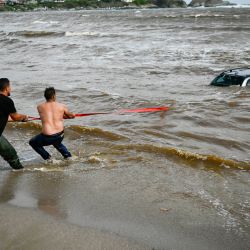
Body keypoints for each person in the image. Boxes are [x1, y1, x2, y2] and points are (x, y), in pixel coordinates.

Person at [29, 87, 75, 161]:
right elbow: (70, 116)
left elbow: (47, 116)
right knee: (56, 141)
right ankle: (68, 156)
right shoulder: (62, 106)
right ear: (54, 96)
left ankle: (48, 158)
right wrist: (73, 115)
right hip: (60, 135)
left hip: (47, 137)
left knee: (32, 142)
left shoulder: (39, 107)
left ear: (45, 96)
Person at [0, 78, 28, 170]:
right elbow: (16, 117)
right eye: (10, 87)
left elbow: (6, 117)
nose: (10, 89)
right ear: (6, 88)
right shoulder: (7, 101)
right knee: (12, 155)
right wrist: (24, 117)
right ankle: (20, 171)